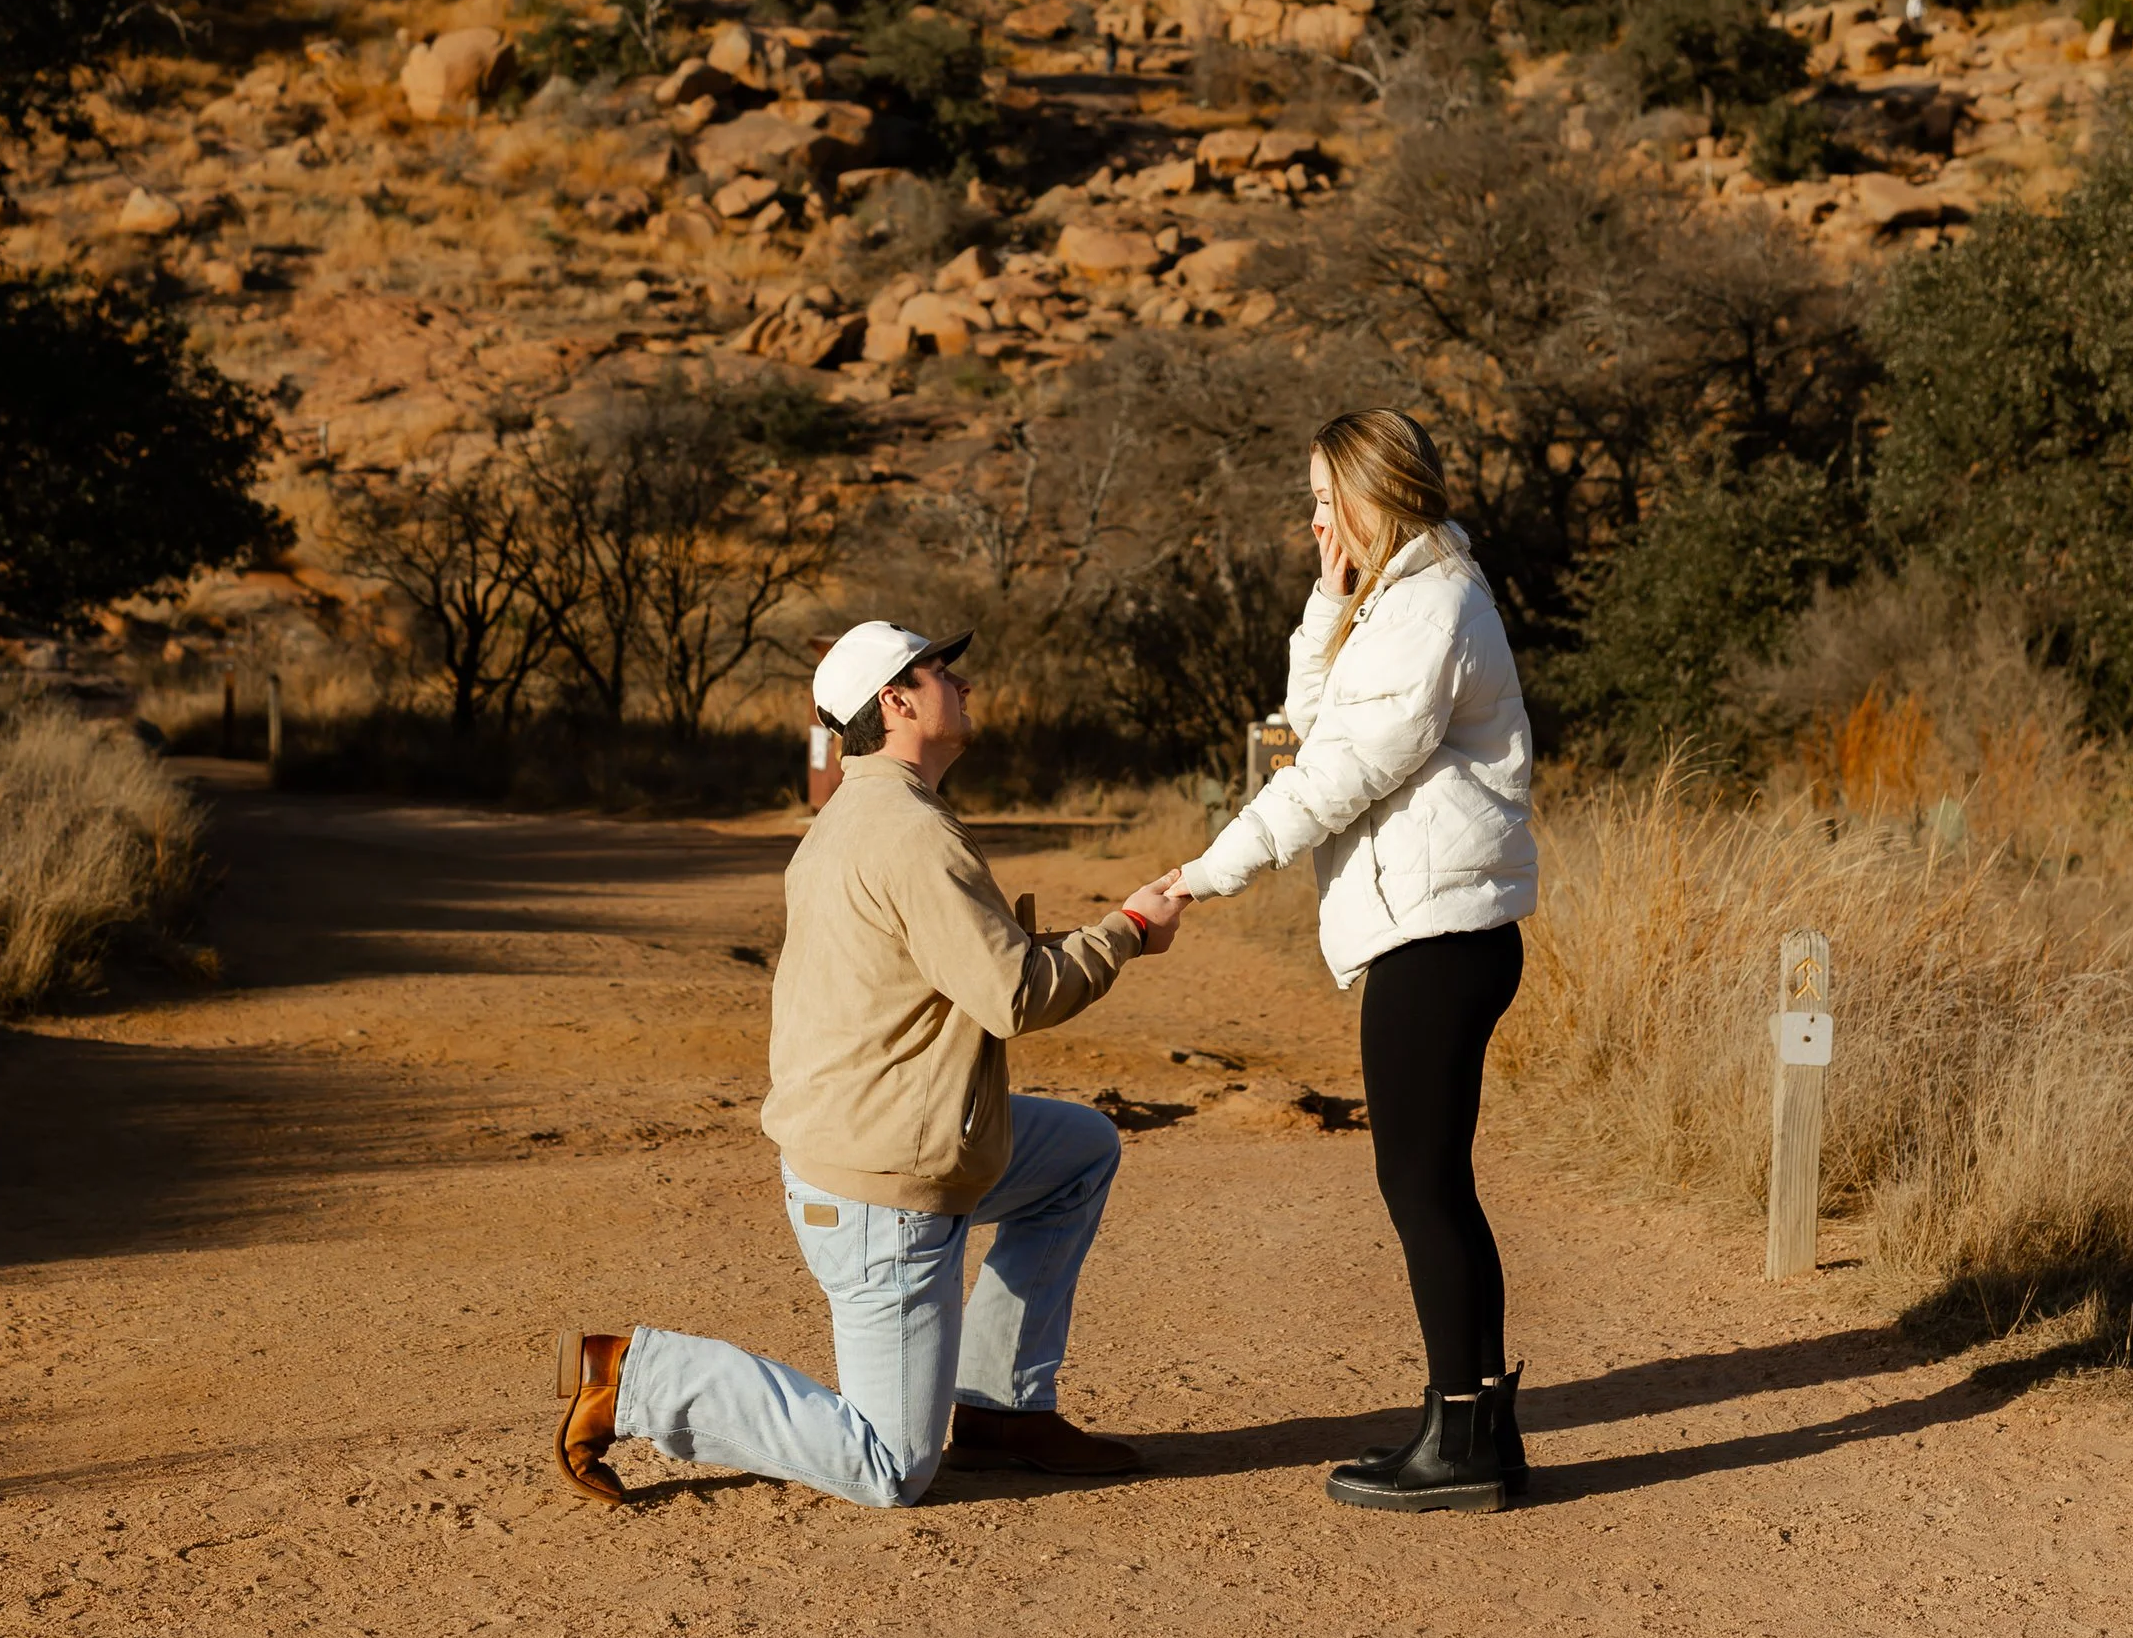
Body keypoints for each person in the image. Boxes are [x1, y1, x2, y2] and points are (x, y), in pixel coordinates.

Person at [555, 621, 1189, 1509]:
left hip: (888, 1138)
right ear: (894, 701)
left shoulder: (861, 815)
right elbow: (1014, 996)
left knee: (1078, 1150)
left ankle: (1000, 1409)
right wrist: (1123, 932)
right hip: (881, 1192)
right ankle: (638, 1378)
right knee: (890, 1468)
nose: (961, 683)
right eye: (941, 670)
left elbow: (960, 968)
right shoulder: (909, 833)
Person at [1171, 411, 1536, 1512]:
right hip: (1429, 929)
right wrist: (1327, 598)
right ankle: (1463, 1428)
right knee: (1429, 1185)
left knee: (1422, 1188)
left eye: (1329, 498)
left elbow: (1335, 774)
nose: (1315, 518)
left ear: (1377, 494)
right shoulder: (1392, 601)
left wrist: (1198, 877)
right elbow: (1304, 723)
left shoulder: (1432, 607)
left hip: (1440, 934)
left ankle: (1464, 1442)